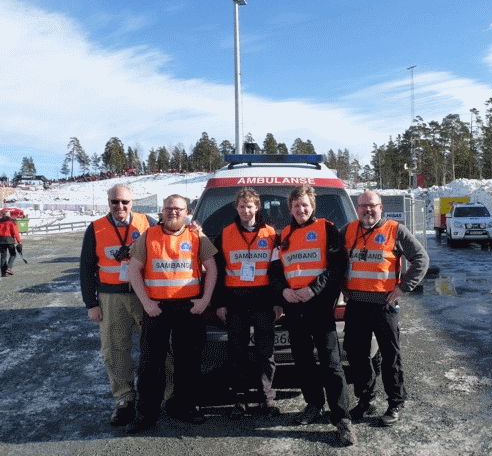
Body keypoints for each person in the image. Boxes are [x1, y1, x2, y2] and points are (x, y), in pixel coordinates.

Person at [270, 185, 356, 446]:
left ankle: (342, 418)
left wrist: (313, 290)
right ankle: (314, 404)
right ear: (290, 208)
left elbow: (338, 265)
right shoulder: (283, 235)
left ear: (313, 206)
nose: (301, 210)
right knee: (303, 360)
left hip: (319, 307)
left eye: (305, 205)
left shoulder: (327, 229)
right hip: (294, 308)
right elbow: (274, 271)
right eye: (296, 206)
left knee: (331, 363)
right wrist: (284, 291)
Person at [125, 194, 217, 433]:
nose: (172, 212)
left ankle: (183, 407)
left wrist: (205, 300)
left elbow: (212, 269)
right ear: (162, 211)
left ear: (187, 211)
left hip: (189, 308)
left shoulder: (197, 235)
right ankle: (146, 414)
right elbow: (133, 269)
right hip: (156, 308)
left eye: (178, 209)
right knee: (150, 364)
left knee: (189, 362)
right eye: (168, 208)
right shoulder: (149, 235)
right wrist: (146, 302)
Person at [341, 190, 428, 427]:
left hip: (384, 305)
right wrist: (342, 285)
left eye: (372, 206)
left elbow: (421, 258)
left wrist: (402, 288)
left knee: (391, 356)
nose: (367, 210)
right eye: (363, 206)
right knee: (357, 355)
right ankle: (366, 399)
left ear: (381, 207)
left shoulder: (395, 230)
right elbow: (335, 260)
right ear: (357, 208)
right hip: (356, 306)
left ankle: (395, 403)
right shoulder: (348, 230)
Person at [80, 184, 156, 426]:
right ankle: (124, 399)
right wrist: (91, 303)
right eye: (115, 202)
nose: (120, 206)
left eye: (125, 202)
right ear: (108, 202)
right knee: (115, 350)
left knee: (159, 347)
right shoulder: (96, 228)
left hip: (145, 295)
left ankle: (167, 395)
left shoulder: (148, 223)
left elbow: (174, 240)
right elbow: (86, 268)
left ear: (132, 202)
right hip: (111, 298)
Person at [213, 188, 282, 419]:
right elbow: (219, 272)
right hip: (236, 300)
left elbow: (276, 271)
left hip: (263, 299)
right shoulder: (226, 234)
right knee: (237, 353)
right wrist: (220, 303)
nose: (245, 210)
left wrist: (277, 302)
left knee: (266, 353)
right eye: (241, 206)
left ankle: (267, 399)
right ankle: (239, 400)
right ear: (236, 208)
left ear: (257, 207)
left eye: (250, 206)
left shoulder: (271, 234)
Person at [0, 210, 22, 277]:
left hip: (1, 240)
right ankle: (9, 268)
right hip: (10, 240)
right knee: (13, 254)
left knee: (3, 256)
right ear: (9, 215)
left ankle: (4, 272)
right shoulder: (12, 222)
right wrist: (19, 241)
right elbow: (15, 232)